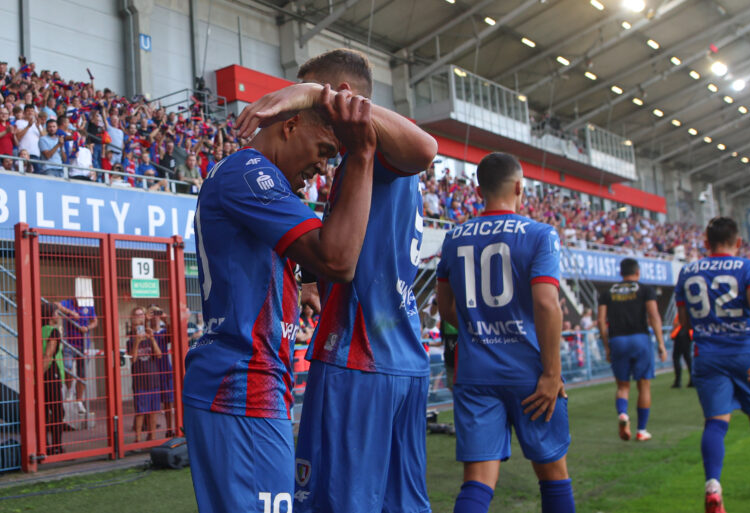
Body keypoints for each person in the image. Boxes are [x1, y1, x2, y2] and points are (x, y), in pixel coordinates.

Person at [236, 48, 437, 513]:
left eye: (309, 107)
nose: (303, 115)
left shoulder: (373, 154)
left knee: (335, 503)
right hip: (403, 361)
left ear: (339, 99)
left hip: (357, 358)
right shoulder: (372, 164)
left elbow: (427, 149)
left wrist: (310, 93)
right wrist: (313, 282)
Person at [184, 85, 377, 513]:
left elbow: (283, 253)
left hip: (246, 386)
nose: (324, 168)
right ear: (290, 126)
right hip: (240, 386)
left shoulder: (252, 177)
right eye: (325, 150)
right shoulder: (250, 171)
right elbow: (338, 259)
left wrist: (302, 279)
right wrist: (362, 154)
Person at [436, 152, 574, 513]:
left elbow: (447, 308)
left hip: (476, 371)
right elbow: (546, 304)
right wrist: (551, 372)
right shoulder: (541, 234)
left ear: (479, 190)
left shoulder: (454, 237)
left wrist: (479, 327)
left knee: (478, 480)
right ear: (519, 187)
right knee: (552, 473)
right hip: (530, 375)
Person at [675, 216, 750, 511]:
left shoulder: (687, 271)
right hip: (746, 352)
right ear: (738, 242)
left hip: (708, 355)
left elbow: (685, 321)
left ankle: (713, 484)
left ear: (706, 243)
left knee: (715, 423)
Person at [598, 258, 667, 442]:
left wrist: (606, 345)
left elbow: (600, 321)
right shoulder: (645, 289)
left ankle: (622, 414)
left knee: (622, 386)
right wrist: (660, 343)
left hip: (617, 340)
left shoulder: (608, 292)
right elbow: (653, 315)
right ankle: (641, 430)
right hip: (640, 339)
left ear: (620, 273)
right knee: (644, 385)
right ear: (637, 272)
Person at [56, 298, 98, 414]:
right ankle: (69, 392)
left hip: (84, 344)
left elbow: (95, 321)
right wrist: (70, 313)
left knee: (82, 373)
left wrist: (88, 328)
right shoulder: (68, 302)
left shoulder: (89, 305)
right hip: (69, 343)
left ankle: (79, 400)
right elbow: (56, 304)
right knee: (67, 368)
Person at [127, 306, 162, 443]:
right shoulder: (131, 338)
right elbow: (133, 359)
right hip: (140, 380)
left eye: (141, 314)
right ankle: (138, 439)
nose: (139, 317)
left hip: (153, 379)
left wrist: (152, 339)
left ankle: (152, 437)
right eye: (136, 315)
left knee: (154, 411)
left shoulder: (149, 333)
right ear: (132, 318)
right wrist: (136, 342)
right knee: (140, 411)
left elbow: (159, 355)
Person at [147, 304, 175, 438]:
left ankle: (170, 429)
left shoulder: (164, 332)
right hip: (150, 371)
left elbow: (172, 335)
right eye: (153, 313)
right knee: (150, 401)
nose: (155, 316)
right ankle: (150, 432)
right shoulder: (146, 331)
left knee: (168, 401)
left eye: (157, 313)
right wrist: (145, 320)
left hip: (164, 370)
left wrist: (166, 319)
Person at [41, 301, 65, 455]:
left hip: (41, 376)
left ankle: (44, 445)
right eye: (56, 313)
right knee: (57, 411)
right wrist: (41, 373)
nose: (58, 315)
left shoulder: (38, 330)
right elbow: (48, 355)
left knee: (43, 411)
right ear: (51, 316)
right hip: (50, 374)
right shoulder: (53, 332)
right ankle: (56, 446)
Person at [670, 313, 693, 388]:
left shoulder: (683, 310)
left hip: (681, 334)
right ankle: (692, 380)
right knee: (688, 358)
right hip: (687, 335)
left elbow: (677, 323)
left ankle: (678, 381)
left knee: (677, 358)